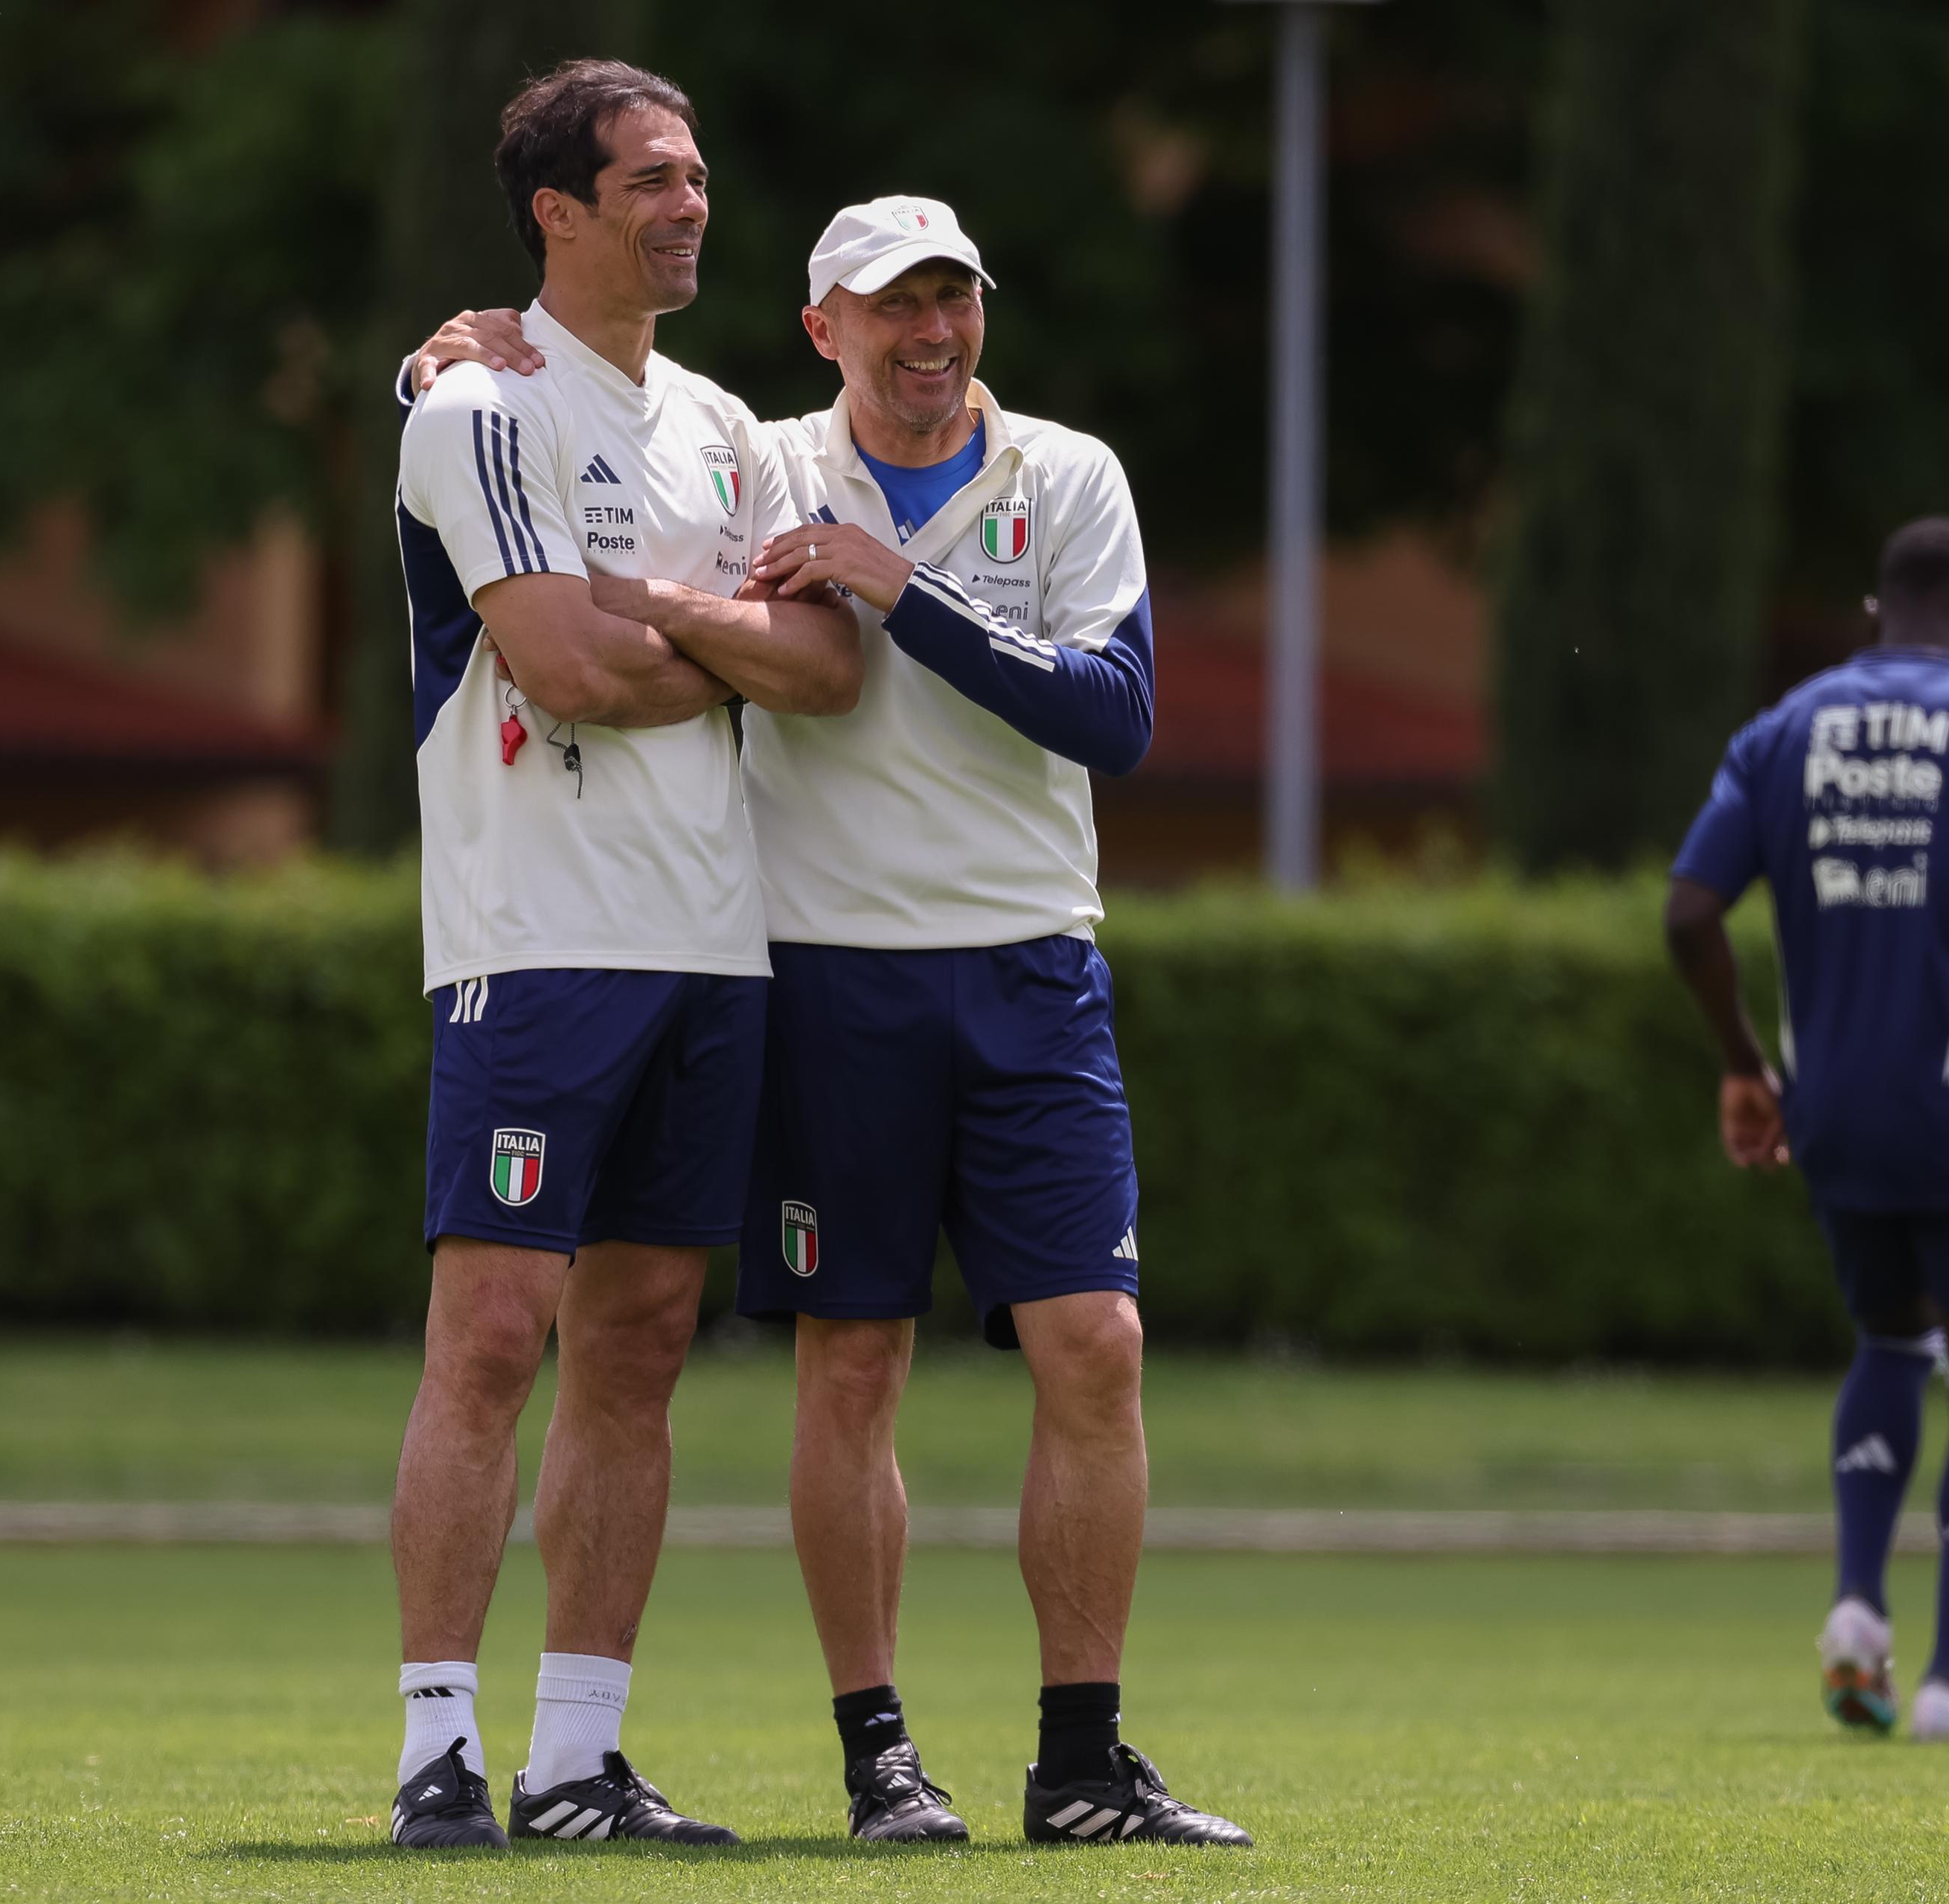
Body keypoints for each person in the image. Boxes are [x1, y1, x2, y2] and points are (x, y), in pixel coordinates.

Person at [409, 195, 1249, 1847]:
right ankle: (881, 1761)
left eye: (954, 299)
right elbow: (582, 446)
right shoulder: (766, 462)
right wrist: (436, 365)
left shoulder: (1069, 473)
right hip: (824, 970)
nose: (931, 333)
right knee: (852, 1366)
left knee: (1099, 1345)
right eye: (892, 306)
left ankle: (1083, 1761)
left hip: (1033, 965)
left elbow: (1116, 717)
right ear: (825, 329)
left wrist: (900, 590)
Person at [383, 60, 858, 1851]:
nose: (690, 205)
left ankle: (578, 1758)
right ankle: (438, 1744)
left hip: (712, 947)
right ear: (558, 213)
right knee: (493, 1335)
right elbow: (563, 672)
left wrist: (650, 609)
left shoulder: (732, 429)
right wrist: (720, 641)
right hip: (536, 941)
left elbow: (826, 669)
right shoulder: (478, 404)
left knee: (644, 1341)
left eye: (698, 174)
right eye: (651, 179)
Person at [1661, 517, 1949, 1746]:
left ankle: (1858, 1609)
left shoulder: (1780, 734)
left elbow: (1688, 913)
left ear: (1875, 615)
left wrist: (1745, 1066)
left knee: (1886, 1340)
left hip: (1832, 1117)